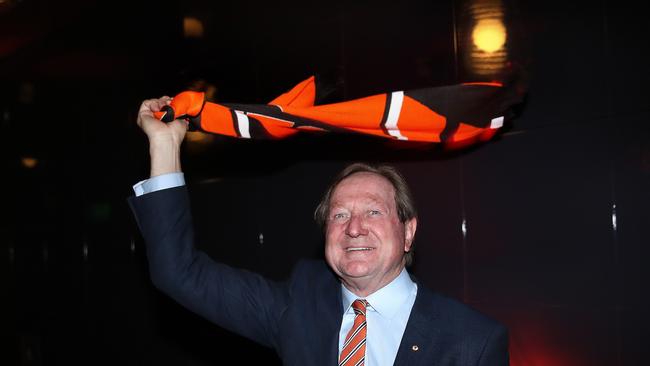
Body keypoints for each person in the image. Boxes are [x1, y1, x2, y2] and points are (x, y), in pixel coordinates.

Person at [129, 97, 509, 365]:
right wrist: (164, 145)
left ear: (408, 232)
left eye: (373, 212)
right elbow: (177, 273)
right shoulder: (297, 308)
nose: (355, 229)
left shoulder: (471, 342)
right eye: (339, 216)